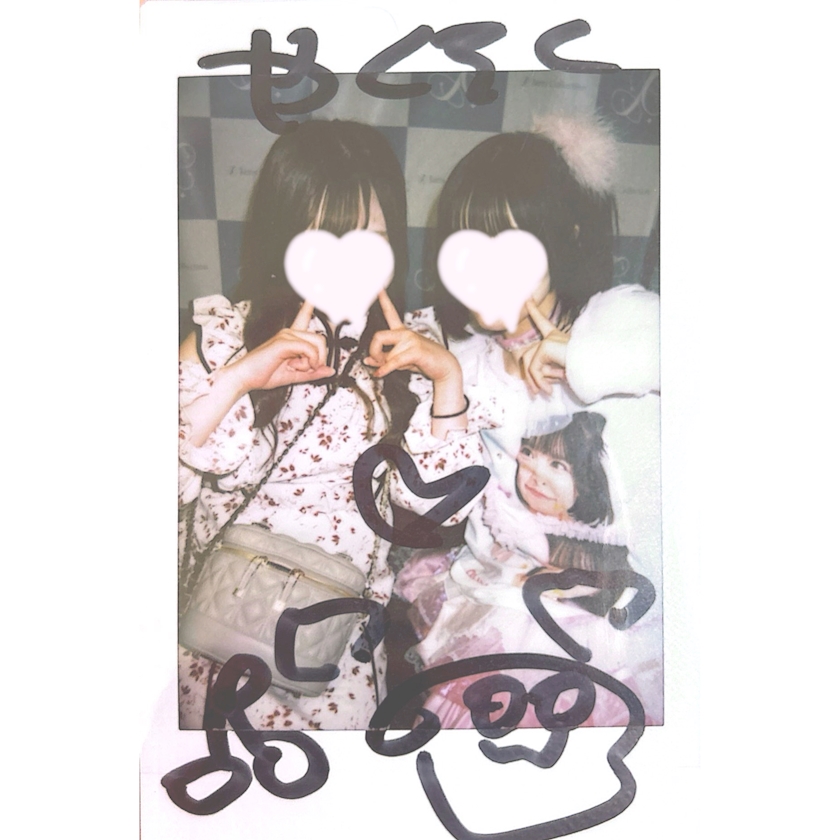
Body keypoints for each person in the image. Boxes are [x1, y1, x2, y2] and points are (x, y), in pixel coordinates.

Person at [177, 119, 489, 731]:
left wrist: (446, 378)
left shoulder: (414, 348)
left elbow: (442, 509)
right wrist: (240, 379)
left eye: (371, 238)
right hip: (219, 637)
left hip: (335, 656)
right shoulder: (222, 336)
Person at [395, 114, 663, 727]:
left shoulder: (619, 318)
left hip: (615, 632)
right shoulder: (464, 357)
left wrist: (579, 357)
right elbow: (428, 500)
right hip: (496, 613)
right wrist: (446, 383)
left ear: (568, 234)